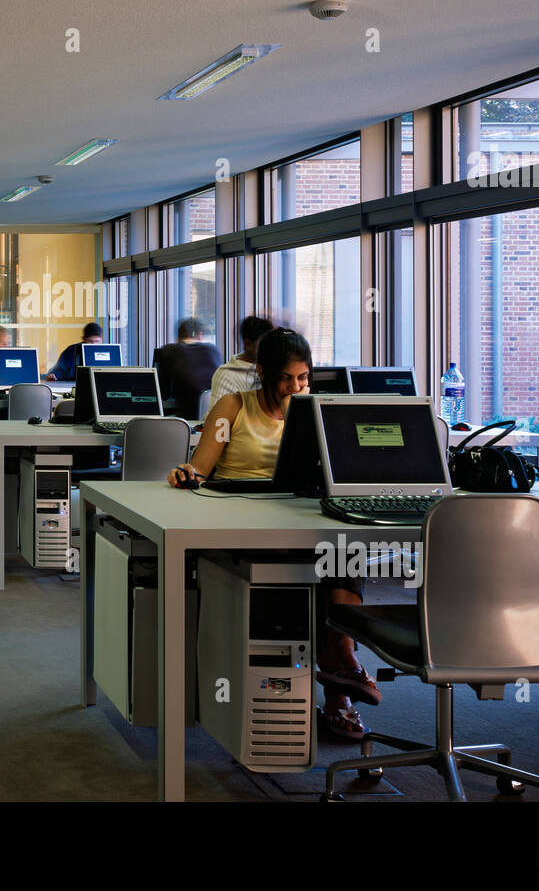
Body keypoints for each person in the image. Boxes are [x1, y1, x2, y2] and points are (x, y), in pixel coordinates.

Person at [167, 329, 380, 741]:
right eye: (287, 378)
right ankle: (340, 682)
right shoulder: (234, 406)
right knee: (323, 562)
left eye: (304, 378)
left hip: (297, 516)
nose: (296, 387)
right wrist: (186, 474)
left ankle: (340, 663)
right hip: (241, 521)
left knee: (344, 549)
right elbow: (202, 467)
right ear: (263, 373)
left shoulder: (313, 411)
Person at [152, 318, 221, 419]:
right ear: (200, 335)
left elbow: (163, 394)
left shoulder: (168, 351)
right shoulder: (213, 350)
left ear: (179, 337)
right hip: (215, 416)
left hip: (187, 418)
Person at [209, 315, 274, 401]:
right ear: (248, 344)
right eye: (264, 344)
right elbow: (217, 414)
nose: (271, 348)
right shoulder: (227, 375)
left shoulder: (272, 369)